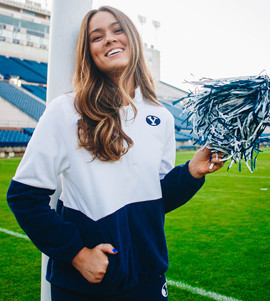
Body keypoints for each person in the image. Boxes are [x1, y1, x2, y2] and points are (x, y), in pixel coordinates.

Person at [6, 6, 224, 301]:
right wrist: (78, 254)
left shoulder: (161, 117)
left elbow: (154, 198)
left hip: (147, 279)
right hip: (82, 287)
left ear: (132, 39)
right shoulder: (66, 111)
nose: (109, 39)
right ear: (88, 52)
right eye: (97, 36)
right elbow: (24, 197)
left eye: (117, 30)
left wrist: (191, 173)